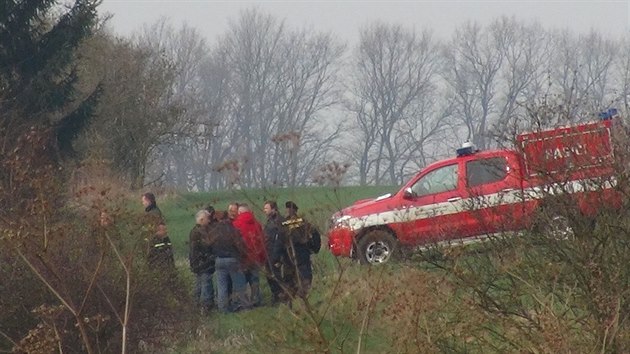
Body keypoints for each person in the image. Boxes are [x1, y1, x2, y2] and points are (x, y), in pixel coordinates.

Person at [207, 211, 250, 313]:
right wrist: (242, 256)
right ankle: (245, 306)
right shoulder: (233, 230)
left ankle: (223, 309)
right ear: (227, 218)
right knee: (240, 284)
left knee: (222, 286)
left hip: (219, 260)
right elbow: (240, 245)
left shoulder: (214, 232)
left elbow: (208, 245)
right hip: (232, 259)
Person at [283, 201, 321, 298]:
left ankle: (290, 297)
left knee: (290, 277)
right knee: (305, 276)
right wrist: (314, 248)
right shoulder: (303, 221)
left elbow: (279, 240)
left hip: (289, 253)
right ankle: (303, 295)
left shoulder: (283, 223)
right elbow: (315, 234)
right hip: (302, 252)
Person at [232, 203, 266, 307]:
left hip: (242, 258)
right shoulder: (257, 224)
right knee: (254, 280)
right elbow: (262, 242)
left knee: (241, 282)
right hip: (255, 257)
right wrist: (262, 258)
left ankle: (244, 304)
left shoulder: (235, 225)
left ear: (239, 212)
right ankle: (256, 300)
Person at [262, 200, 289, 305]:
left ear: (273, 209)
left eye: (266, 208)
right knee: (269, 276)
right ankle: (276, 295)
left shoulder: (279, 221)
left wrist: (277, 256)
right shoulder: (269, 221)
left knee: (276, 276)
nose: (264, 210)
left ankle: (282, 296)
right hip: (268, 253)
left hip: (276, 253)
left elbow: (280, 240)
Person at [189, 209, 215, 314]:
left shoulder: (193, 231)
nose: (209, 221)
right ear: (202, 219)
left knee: (199, 285)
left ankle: (195, 306)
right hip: (204, 263)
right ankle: (205, 307)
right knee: (206, 284)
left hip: (197, 263)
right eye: (208, 219)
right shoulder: (201, 232)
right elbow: (203, 247)